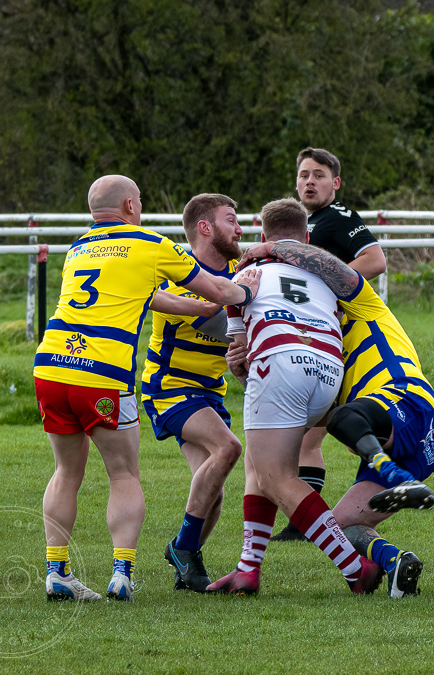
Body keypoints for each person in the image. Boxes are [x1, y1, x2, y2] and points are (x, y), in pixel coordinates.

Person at [34, 174, 260, 602]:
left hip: (50, 367)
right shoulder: (151, 245)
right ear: (131, 207)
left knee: (67, 472)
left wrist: (209, 304)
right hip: (101, 373)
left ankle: (57, 572)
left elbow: (154, 299)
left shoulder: (77, 249)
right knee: (123, 474)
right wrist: (246, 289)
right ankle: (121, 574)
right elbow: (220, 289)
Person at [272, 146, 434, 543]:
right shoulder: (309, 226)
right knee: (323, 429)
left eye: (318, 175)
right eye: (302, 175)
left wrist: (326, 287)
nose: (309, 181)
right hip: (333, 340)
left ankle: (302, 521)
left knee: (319, 430)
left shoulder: (337, 216)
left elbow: (375, 259)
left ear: (336, 183)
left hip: (361, 333)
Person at [234, 237, 434, 598]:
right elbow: (295, 421)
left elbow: (334, 268)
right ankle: (395, 562)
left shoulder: (363, 305)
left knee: (345, 417)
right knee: (340, 524)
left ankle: (396, 475)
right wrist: (247, 372)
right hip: (410, 438)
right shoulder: (320, 338)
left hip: (404, 401)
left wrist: (273, 247)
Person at [208, 197, 383, 596]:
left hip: (280, 361)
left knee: (275, 476)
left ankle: (356, 568)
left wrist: (242, 364)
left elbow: (240, 362)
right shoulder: (326, 276)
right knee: (259, 464)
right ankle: (247, 569)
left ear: (262, 236)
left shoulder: (249, 272)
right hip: (328, 372)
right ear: (307, 238)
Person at [140, 193, 247, 594]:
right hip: (170, 386)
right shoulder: (173, 270)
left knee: (213, 493)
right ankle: (183, 548)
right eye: (231, 220)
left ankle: (185, 563)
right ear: (205, 227)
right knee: (229, 449)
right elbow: (205, 317)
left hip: (210, 393)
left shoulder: (243, 269)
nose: (240, 229)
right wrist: (240, 306)